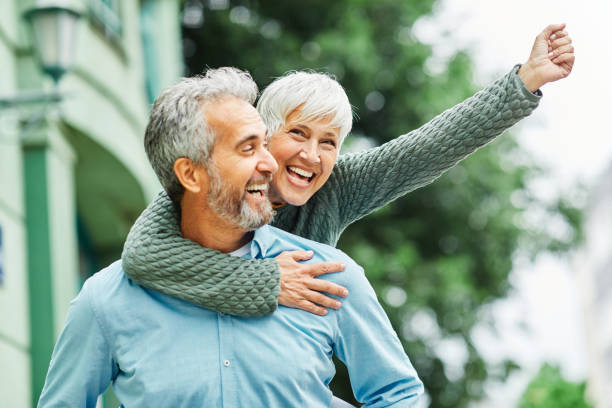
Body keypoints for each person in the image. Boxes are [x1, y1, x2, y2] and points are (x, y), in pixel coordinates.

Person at [122, 24, 575, 317]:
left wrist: (526, 81)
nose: (312, 157)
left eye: (329, 143)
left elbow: (426, 149)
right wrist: (269, 280)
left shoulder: (335, 188)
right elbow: (142, 254)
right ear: (262, 131)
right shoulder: (213, 181)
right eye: (298, 134)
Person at [38, 68, 423, 407]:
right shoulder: (106, 302)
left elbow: (399, 395)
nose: (270, 163)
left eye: (264, 143)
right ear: (190, 175)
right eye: (247, 148)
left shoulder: (326, 277)